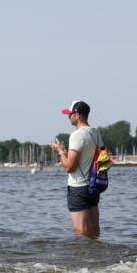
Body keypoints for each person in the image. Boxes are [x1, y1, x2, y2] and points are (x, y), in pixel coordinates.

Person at [48, 100, 102, 238]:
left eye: (70, 114)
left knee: (81, 232)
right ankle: (98, 257)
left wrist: (60, 151)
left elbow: (69, 167)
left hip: (78, 187)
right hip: (93, 186)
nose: (68, 117)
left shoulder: (77, 135)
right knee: (94, 230)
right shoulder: (95, 133)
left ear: (77, 115)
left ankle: (82, 259)